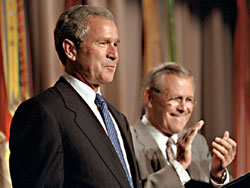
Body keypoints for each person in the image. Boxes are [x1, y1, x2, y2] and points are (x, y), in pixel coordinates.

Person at [9, 5, 141, 188]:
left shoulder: (117, 118)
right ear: (70, 50)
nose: (114, 54)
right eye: (103, 43)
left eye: (116, 44)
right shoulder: (42, 113)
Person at [130, 62, 237, 188]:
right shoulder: (128, 141)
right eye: (175, 98)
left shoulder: (197, 143)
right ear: (149, 98)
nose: (184, 108)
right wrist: (178, 167)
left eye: (189, 100)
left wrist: (217, 176)